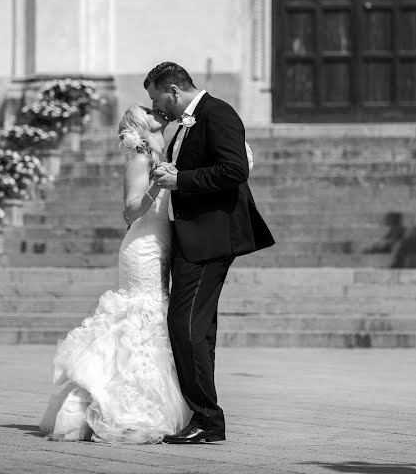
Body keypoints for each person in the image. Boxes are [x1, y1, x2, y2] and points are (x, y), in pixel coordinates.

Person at [38, 105, 191, 443]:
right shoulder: (139, 161)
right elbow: (130, 209)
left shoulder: (164, 152)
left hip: (162, 243)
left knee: (155, 320)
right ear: (140, 125)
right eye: (149, 111)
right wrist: (156, 184)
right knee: (139, 318)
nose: (158, 111)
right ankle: (119, 407)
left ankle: (151, 400)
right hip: (141, 248)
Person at [145, 61, 275, 444]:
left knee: (185, 327)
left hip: (211, 238)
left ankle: (207, 418)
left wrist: (179, 179)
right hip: (194, 236)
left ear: (172, 90)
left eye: (157, 99)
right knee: (195, 329)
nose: (157, 108)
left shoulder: (217, 113)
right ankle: (202, 416)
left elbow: (234, 170)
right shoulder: (187, 122)